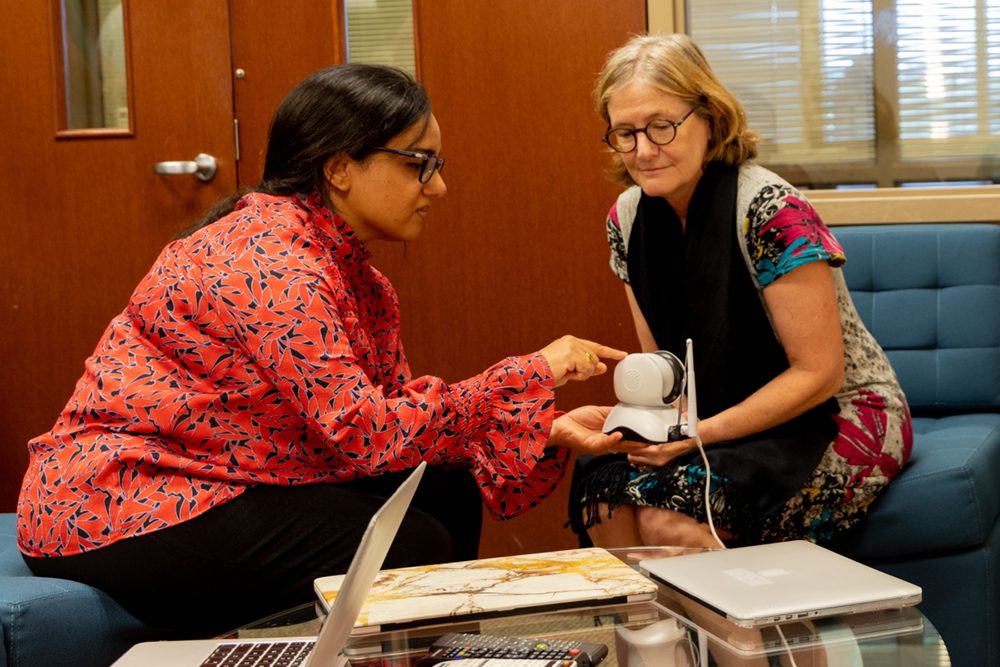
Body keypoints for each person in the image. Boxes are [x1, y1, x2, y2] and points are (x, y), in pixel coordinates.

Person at [17, 63, 627, 635]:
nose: (438, 187)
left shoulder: (349, 270)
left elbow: (403, 437)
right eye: (419, 164)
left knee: (443, 488)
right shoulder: (268, 260)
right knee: (413, 545)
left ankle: (434, 650)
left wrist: (540, 427)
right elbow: (368, 434)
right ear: (339, 169)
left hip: (223, 476)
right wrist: (530, 372)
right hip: (124, 500)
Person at [569, 34, 912, 550]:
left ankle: (744, 633)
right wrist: (650, 428)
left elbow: (819, 374)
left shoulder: (771, 210)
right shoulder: (627, 218)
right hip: (717, 416)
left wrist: (698, 434)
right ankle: (663, 634)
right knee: (608, 508)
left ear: (708, 117)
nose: (643, 150)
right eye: (625, 133)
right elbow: (664, 367)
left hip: (838, 412)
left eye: (662, 126)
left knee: (669, 523)